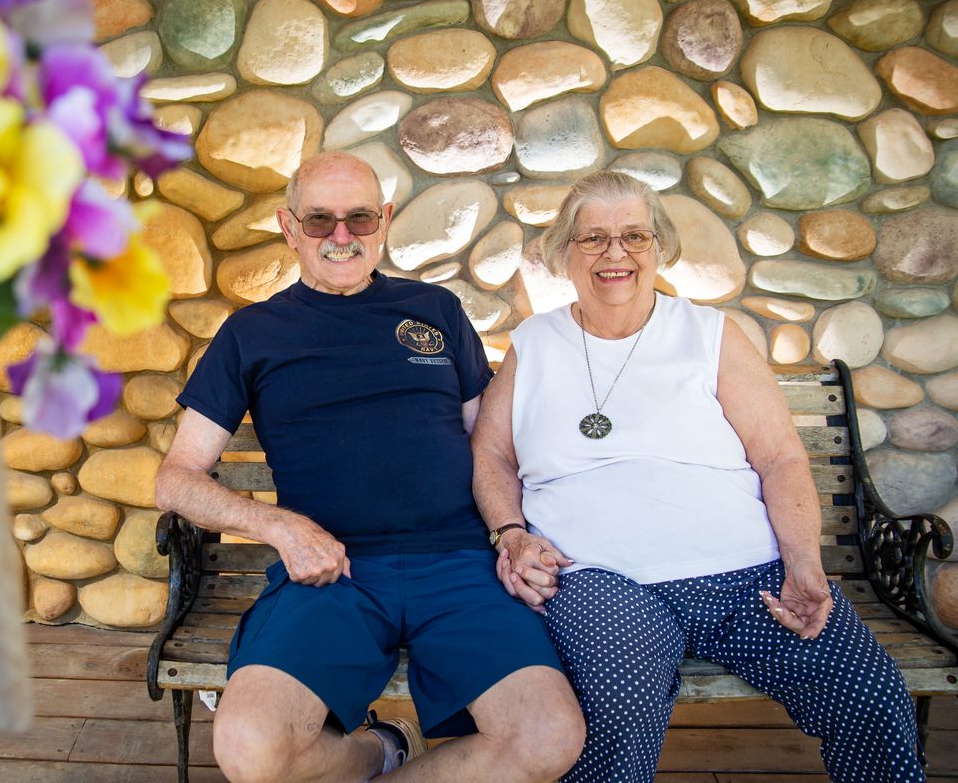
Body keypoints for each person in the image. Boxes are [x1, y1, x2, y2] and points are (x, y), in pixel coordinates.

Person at [471, 170, 924, 783]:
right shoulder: (535, 343)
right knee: (619, 706)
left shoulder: (710, 334)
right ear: (563, 253)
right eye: (593, 238)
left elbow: (782, 458)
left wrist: (803, 564)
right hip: (602, 580)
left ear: (660, 247)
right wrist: (511, 533)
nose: (615, 254)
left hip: (748, 576)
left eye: (635, 236)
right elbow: (492, 455)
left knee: (870, 696)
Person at [153, 151, 584, 783]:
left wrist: (512, 532)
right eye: (320, 220)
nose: (341, 237)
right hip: (332, 570)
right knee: (249, 749)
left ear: (383, 221)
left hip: (460, 563)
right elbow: (176, 477)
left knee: (548, 738)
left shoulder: (435, 311)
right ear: (289, 226)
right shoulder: (253, 332)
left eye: (359, 218)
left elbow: (491, 446)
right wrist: (280, 528)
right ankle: (379, 752)